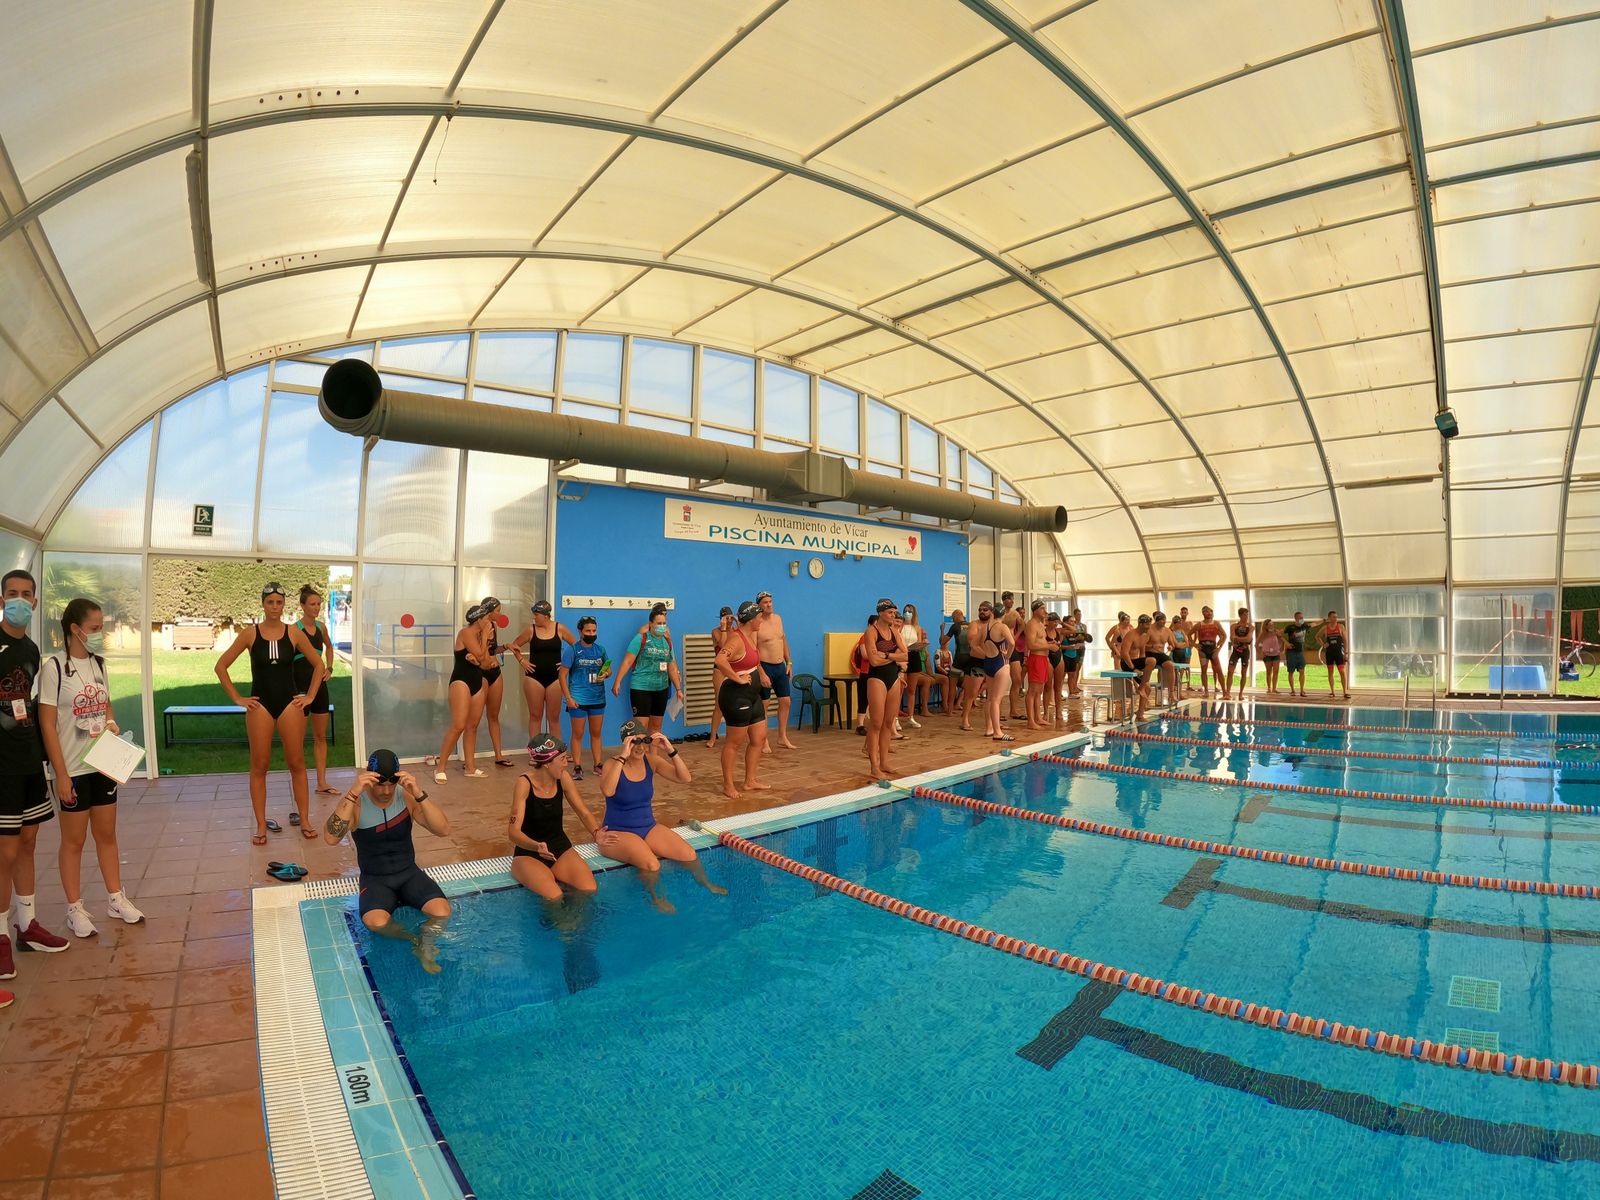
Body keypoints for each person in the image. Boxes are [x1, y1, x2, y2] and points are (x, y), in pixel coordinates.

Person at [40, 598, 143, 938]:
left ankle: (116, 898)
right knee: (74, 839)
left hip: (102, 765)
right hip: (72, 768)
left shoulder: (99, 664)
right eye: (96, 628)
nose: (102, 634)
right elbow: (47, 723)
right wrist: (61, 774)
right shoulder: (54, 668)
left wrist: (112, 723)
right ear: (75, 629)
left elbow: (106, 704)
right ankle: (75, 908)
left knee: (106, 834)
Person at [215, 582, 326, 845]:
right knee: (259, 766)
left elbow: (319, 664)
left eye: (279, 602)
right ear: (263, 604)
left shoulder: (294, 633)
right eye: (270, 602)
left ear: (284, 604)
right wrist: (238, 698)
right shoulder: (250, 634)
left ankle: (306, 820)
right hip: (260, 705)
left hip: (290, 704)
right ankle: (261, 825)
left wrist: (309, 696)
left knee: (297, 763)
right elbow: (221, 667)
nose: (274, 607)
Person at [323, 750, 451, 973]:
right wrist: (353, 792)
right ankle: (413, 940)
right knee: (375, 922)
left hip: (409, 873)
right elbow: (331, 838)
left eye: (392, 783)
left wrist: (419, 793)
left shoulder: (406, 796)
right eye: (380, 784)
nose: (386, 790)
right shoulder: (357, 804)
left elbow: (443, 829)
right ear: (369, 778)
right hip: (375, 880)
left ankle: (426, 945)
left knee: (442, 912)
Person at [0, 570, 67, 980]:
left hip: (27, 761)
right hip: (1, 766)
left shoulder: (30, 646)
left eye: (27, 594)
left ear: (36, 602)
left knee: (28, 842)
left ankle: (27, 926)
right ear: (2, 598)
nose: (20, 600)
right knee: (4, 852)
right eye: (12, 594)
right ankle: (0, 938)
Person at [596, 719, 725, 913]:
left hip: (648, 827)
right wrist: (623, 756)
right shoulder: (612, 764)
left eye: (643, 740)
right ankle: (655, 898)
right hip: (618, 831)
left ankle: (705, 883)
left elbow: (685, 778)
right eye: (634, 742)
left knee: (689, 854)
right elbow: (607, 790)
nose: (640, 747)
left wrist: (670, 750)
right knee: (651, 864)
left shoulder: (651, 761)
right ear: (626, 743)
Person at [509, 734, 599, 901]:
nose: (567, 763)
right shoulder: (524, 784)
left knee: (589, 889)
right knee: (554, 896)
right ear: (547, 763)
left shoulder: (563, 778)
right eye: (563, 759)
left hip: (559, 848)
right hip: (529, 853)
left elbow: (583, 812)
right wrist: (536, 846)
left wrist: (597, 832)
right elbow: (513, 832)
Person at [714, 600, 770, 799]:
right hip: (736, 697)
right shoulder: (736, 639)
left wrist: (761, 674)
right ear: (751, 619)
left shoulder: (748, 635)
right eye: (759, 616)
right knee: (734, 743)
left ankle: (750, 781)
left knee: (759, 738)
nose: (761, 619)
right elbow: (720, 660)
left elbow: (753, 662)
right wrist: (736, 677)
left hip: (752, 695)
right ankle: (728, 785)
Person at [432, 604, 494, 785]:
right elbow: (482, 657)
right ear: (479, 619)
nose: (489, 622)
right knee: (458, 725)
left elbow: (486, 663)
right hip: (461, 682)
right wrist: (484, 643)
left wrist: (480, 657)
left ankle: (470, 767)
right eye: (487, 619)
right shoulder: (466, 633)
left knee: (472, 726)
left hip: (477, 681)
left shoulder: (479, 635)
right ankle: (440, 768)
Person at [294, 585, 339, 796]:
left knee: (320, 736)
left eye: (319, 604)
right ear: (302, 606)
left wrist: (329, 667)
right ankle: (299, 781)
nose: (316, 607)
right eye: (312, 604)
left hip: (320, 686)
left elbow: (329, 648)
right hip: (300, 688)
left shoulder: (321, 628)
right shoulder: (294, 630)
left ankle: (322, 782)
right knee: (298, 738)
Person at [509, 600, 576, 740]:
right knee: (535, 716)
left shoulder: (560, 628)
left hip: (555, 678)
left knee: (554, 718)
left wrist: (567, 664)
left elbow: (577, 647)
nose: (534, 617)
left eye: (536, 614)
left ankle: (557, 754)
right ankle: (536, 754)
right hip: (534, 678)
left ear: (545, 615)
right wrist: (522, 661)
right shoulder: (530, 630)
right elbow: (514, 645)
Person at [612, 603, 681, 738]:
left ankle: (652, 757)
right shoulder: (641, 637)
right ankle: (639, 758)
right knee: (640, 728)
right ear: (651, 623)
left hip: (661, 688)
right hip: (641, 687)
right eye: (659, 623)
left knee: (656, 729)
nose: (662, 626)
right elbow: (627, 661)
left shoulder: (668, 641)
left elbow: (671, 666)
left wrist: (678, 689)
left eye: (664, 623)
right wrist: (617, 681)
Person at [862, 599, 908, 779]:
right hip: (876, 678)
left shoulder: (895, 632)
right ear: (881, 613)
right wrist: (895, 658)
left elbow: (905, 654)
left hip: (893, 678)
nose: (893, 616)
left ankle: (884, 762)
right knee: (876, 723)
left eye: (894, 613)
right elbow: (873, 661)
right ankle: (874, 767)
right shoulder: (871, 632)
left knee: (889, 722)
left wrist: (887, 655)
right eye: (890, 613)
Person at [560, 616, 609, 779]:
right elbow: (562, 676)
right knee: (578, 733)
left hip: (597, 698)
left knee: (596, 733)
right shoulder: (572, 650)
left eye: (594, 631)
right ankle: (578, 767)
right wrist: (569, 698)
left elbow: (608, 670)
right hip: (578, 700)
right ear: (580, 632)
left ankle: (598, 765)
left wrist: (606, 675)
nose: (591, 633)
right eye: (588, 630)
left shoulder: (600, 650)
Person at [754, 591, 798, 750]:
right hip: (765, 666)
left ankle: (782, 736)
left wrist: (789, 662)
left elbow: (783, 640)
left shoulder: (778, 619)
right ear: (759, 605)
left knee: (786, 701)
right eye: (765, 602)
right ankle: (763, 740)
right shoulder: (757, 623)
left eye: (770, 601)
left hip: (780, 667)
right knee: (764, 704)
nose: (769, 604)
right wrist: (761, 672)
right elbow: (753, 649)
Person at [474, 597, 513, 768]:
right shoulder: (478, 627)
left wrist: (505, 646)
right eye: (497, 610)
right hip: (480, 672)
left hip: (495, 672)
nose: (500, 613)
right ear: (489, 612)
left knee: (494, 715)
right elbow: (478, 653)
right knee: (474, 718)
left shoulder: (494, 626)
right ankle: (469, 757)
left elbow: (492, 649)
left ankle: (498, 754)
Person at [971, 600, 1014, 741]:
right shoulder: (1002, 627)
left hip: (988, 663)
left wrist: (984, 653)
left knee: (990, 699)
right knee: (996, 700)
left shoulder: (984, 627)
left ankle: (989, 728)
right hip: (1001, 663)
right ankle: (998, 732)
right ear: (1003, 614)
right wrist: (1007, 655)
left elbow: (973, 644)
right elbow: (1012, 643)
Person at [707, 606, 734, 750]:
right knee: (719, 704)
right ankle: (712, 737)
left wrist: (738, 622)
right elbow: (723, 646)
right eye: (726, 618)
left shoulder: (736, 631)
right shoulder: (716, 631)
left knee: (734, 703)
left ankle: (732, 735)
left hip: (733, 668)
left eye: (731, 618)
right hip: (720, 670)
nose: (729, 621)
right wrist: (724, 629)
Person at [1022, 600, 1052, 730]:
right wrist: (1049, 646)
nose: (1045, 611)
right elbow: (1031, 645)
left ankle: (1038, 718)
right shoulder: (1031, 624)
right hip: (1036, 659)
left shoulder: (1040, 624)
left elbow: (1040, 641)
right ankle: (1030, 721)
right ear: (1035, 610)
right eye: (1042, 609)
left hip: (1043, 659)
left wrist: (1050, 645)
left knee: (1039, 691)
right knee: (1033, 691)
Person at [901, 602, 932, 727]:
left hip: (914, 656)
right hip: (902, 655)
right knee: (899, 688)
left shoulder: (918, 628)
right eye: (905, 611)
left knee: (911, 690)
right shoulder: (900, 626)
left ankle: (911, 716)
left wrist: (923, 644)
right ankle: (895, 719)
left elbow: (919, 643)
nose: (907, 613)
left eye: (910, 611)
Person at [999, 591, 1025, 720]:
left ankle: (1013, 711)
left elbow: (1022, 625)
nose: (1011, 601)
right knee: (998, 682)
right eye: (1009, 599)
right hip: (1000, 647)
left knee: (1017, 680)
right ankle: (997, 712)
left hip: (1012, 647)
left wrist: (1015, 636)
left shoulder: (1015, 614)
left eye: (1012, 599)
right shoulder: (998, 612)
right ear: (1004, 600)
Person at [1194, 606, 1226, 698]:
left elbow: (1224, 636)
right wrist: (1195, 645)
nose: (1207, 613)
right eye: (1205, 612)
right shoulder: (1199, 624)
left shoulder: (1216, 623)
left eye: (1208, 611)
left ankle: (1224, 692)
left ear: (1212, 613)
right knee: (1203, 671)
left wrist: (1219, 647)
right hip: (1202, 650)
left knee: (1219, 670)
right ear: (1202, 613)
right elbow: (1189, 634)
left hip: (1213, 649)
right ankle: (1206, 691)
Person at [1321, 610, 1351, 699]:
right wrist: (1323, 644)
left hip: (1339, 653)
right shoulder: (1325, 628)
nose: (1335, 618)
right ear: (1329, 618)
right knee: (1330, 672)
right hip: (1329, 653)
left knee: (1342, 672)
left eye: (1336, 617)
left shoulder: (1341, 627)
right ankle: (1332, 692)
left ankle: (1345, 692)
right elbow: (1317, 636)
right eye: (1333, 617)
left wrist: (1346, 653)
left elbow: (1345, 640)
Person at [1226, 607, 1254, 698]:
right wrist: (1243, 640)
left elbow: (1249, 639)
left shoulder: (1251, 627)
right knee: (1230, 671)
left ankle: (1241, 693)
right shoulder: (1234, 626)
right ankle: (1227, 692)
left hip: (1245, 652)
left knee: (1244, 673)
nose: (1246, 616)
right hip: (1236, 651)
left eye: (1247, 614)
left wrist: (1238, 639)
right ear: (1240, 615)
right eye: (1244, 615)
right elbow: (1232, 638)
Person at [1284, 611, 1312, 698]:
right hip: (1291, 652)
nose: (1301, 619)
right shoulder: (1290, 627)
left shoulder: (1305, 626)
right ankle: (1292, 690)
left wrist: (1323, 620)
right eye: (1300, 618)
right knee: (1291, 672)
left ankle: (1302, 690)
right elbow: (1279, 634)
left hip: (1300, 652)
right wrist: (1286, 643)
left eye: (1302, 618)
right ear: (1295, 618)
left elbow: (1314, 624)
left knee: (1302, 671)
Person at [1061, 614, 1087, 697]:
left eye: (1073, 621)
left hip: (1074, 654)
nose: (1073, 623)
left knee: (1072, 674)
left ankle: (1071, 692)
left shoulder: (1074, 632)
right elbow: (1058, 646)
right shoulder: (1062, 632)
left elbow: (1078, 640)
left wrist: (1079, 645)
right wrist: (1067, 647)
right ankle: (1059, 692)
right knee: (1062, 675)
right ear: (1066, 622)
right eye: (1071, 621)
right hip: (1065, 655)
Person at [1259, 619, 1284, 694]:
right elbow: (1257, 644)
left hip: (1276, 654)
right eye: (1269, 624)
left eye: (1272, 624)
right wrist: (1261, 653)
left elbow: (1281, 640)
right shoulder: (1263, 634)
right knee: (1269, 672)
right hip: (1267, 655)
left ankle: (1274, 688)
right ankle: (1269, 688)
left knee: (1276, 671)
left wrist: (1281, 650)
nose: (1271, 625)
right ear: (1266, 626)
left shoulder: (1276, 632)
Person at [1170, 608, 1192, 695]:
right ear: (1180, 613)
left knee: (1187, 665)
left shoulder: (1189, 623)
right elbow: (1169, 630)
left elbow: (1193, 633)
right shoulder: (1176, 622)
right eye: (1182, 612)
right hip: (1177, 648)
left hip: (1187, 647)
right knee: (1177, 666)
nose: (1183, 613)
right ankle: (1177, 682)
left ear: (1187, 613)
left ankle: (1188, 684)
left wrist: (1193, 643)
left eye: (1185, 612)